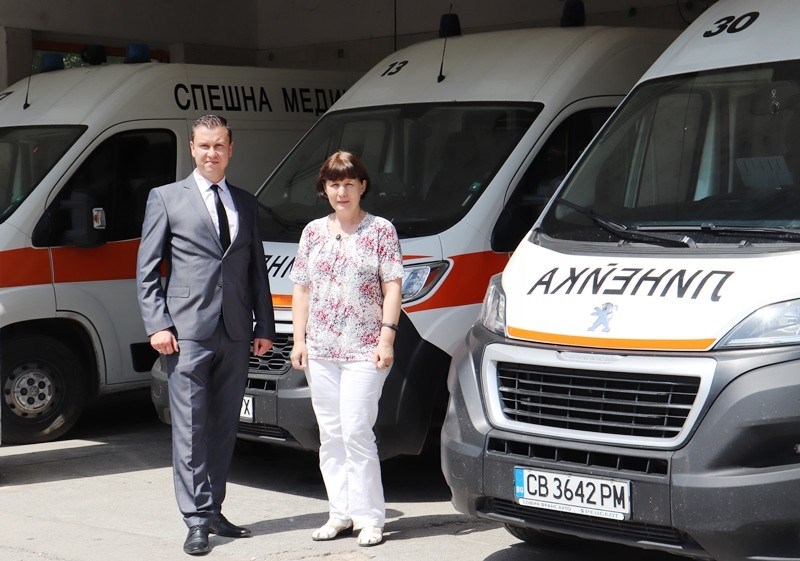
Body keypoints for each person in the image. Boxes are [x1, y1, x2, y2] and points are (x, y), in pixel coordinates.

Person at [136, 114, 275, 555]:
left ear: (230, 150)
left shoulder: (246, 202)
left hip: (235, 331)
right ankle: (195, 519)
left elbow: (256, 270)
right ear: (192, 149)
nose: (211, 153)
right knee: (191, 427)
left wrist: (264, 326)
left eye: (219, 146)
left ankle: (214, 509)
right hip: (187, 332)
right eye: (204, 145)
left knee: (223, 426)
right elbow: (147, 270)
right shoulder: (165, 198)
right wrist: (158, 324)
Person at [289, 150, 403, 547]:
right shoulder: (312, 232)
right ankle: (340, 513)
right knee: (331, 434)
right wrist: (299, 340)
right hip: (321, 349)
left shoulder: (381, 231)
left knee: (356, 431)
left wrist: (387, 338)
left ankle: (370, 518)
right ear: (324, 188)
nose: (342, 192)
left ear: (362, 187)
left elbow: (393, 286)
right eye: (334, 184)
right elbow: (301, 289)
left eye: (349, 184)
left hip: (365, 350)